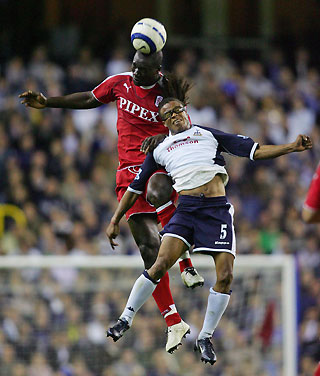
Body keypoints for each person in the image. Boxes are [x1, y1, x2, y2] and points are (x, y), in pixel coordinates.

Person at [105, 75, 312, 364]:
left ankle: (205, 337)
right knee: (159, 264)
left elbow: (254, 151)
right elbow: (135, 187)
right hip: (187, 210)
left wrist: (291, 147)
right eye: (169, 114)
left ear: (186, 111)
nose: (176, 116)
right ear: (163, 122)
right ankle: (125, 319)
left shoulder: (208, 134)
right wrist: (115, 219)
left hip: (216, 211)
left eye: (179, 110)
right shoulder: (160, 149)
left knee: (225, 276)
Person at [19, 50, 205, 353]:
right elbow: (90, 99)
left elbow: (186, 131)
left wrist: (161, 139)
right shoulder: (120, 83)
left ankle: (185, 262)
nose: (134, 72)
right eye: (133, 65)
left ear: (157, 70)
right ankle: (174, 321)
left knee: (158, 192)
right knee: (148, 248)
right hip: (127, 178)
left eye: (141, 69)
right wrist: (48, 101)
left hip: (159, 167)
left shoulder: (167, 94)